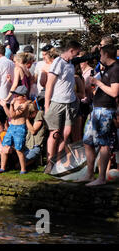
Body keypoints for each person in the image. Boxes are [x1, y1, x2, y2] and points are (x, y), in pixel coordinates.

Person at [79, 45, 118, 186]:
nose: (99, 57)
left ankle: (101, 178)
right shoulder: (106, 68)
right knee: (87, 141)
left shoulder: (116, 69)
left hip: (106, 110)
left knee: (104, 143)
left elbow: (114, 92)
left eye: (101, 54)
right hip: (96, 109)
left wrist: (98, 83)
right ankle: (89, 174)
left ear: (106, 54)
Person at [44, 41, 81, 172]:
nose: (78, 55)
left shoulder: (71, 63)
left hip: (70, 102)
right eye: (77, 52)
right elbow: (49, 85)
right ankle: (50, 163)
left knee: (66, 133)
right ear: (71, 50)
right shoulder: (58, 63)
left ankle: (59, 160)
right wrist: (47, 106)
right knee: (54, 133)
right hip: (57, 102)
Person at [0, 85, 30, 174]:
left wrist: (9, 105)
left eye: (17, 95)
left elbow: (13, 115)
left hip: (20, 128)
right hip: (12, 127)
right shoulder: (15, 102)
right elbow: (9, 115)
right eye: (15, 95)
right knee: (5, 146)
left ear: (24, 96)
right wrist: (5, 106)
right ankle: (2, 167)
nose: (15, 97)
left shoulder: (25, 104)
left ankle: (23, 169)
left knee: (19, 149)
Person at [24, 102, 47, 168]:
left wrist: (26, 119)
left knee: (20, 165)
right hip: (28, 146)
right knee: (15, 164)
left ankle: (34, 161)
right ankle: (34, 162)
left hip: (36, 146)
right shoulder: (31, 119)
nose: (29, 116)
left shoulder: (40, 113)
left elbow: (33, 131)